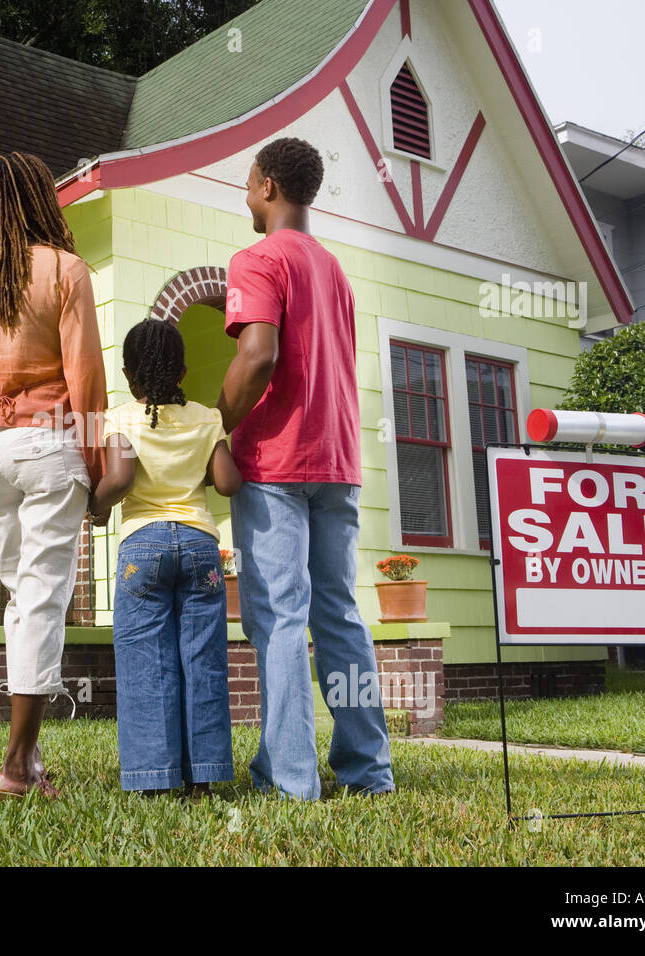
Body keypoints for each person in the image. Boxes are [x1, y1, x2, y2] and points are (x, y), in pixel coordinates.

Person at [216, 137, 394, 800]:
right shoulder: (335, 270)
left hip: (276, 463)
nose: (244, 194)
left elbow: (257, 354)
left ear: (266, 185)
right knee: (340, 614)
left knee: (282, 617)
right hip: (338, 460)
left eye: (246, 181)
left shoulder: (257, 259)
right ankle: (368, 773)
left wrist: (217, 422)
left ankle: (291, 782)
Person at [0, 151, 107, 798]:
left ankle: (29, 761)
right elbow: (86, 382)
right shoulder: (65, 271)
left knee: (19, 598)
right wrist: (95, 469)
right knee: (42, 599)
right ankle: (14, 764)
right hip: (49, 446)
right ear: (42, 200)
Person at [89, 319, 241, 798]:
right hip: (200, 547)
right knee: (204, 660)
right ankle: (205, 776)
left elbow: (119, 481)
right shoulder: (206, 417)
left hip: (143, 545)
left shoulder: (121, 417)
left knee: (145, 660)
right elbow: (228, 481)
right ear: (182, 368)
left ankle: (153, 779)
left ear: (130, 372)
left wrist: (95, 509)